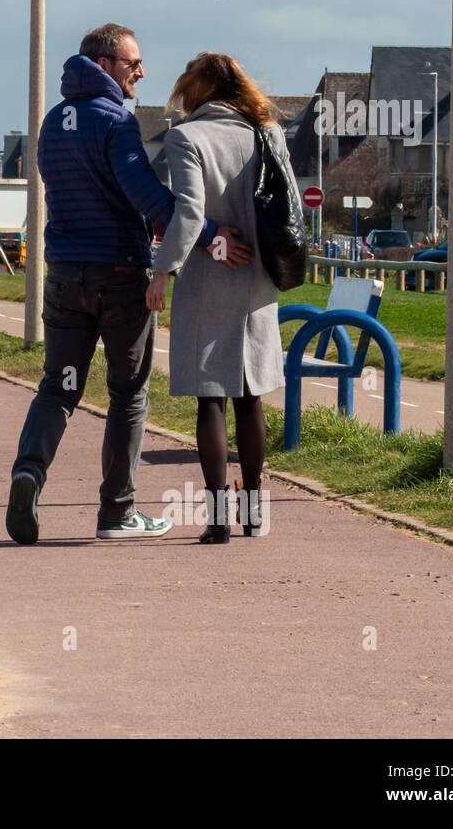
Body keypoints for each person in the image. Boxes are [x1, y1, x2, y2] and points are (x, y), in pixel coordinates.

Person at [5, 23, 253, 546]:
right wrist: (211, 235)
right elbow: (149, 198)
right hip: (118, 275)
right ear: (103, 63)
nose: (140, 71)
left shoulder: (52, 122)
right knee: (127, 395)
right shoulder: (116, 121)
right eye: (131, 63)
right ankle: (117, 511)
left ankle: (28, 472)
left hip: (65, 274)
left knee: (59, 385)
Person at [146, 53, 295, 544]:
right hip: (258, 279)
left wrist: (163, 271)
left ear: (196, 89)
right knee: (251, 397)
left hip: (208, 279)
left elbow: (188, 213)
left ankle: (216, 521)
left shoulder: (186, 137)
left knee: (211, 400)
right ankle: (253, 513)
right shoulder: (266, 133)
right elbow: (288, 203)